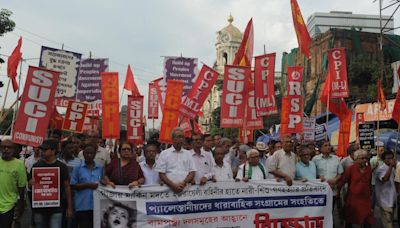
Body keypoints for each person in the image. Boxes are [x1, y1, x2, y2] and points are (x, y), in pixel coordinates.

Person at [29, 139, 73, 228]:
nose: (42, 151)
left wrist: (69, 207)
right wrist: (30, 184)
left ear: (53, 151)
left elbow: (67, 187)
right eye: (41, 149)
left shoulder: (62, 167)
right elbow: (30, 187)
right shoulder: (36, 166)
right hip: (39, 208)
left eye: (45, 150)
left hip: (56, 209)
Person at [337, 149, 374, 227]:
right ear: (356, 159)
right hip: (352, 199)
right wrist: (338, 192)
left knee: (367, 221)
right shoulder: (351, 169)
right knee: (350, 219)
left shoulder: (368, 169)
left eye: (366, 158)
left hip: (365, 199)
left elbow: (369, 183)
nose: (365, 160)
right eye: (362, 158)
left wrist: (370, 195)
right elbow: (343, 181)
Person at [70, 144, 103, 228]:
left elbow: (104, 183)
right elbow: (72, 186)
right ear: (83, 154)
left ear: (95, 154)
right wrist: (87, 185)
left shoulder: (100, 168)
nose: (89, 155)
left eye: (91, 153)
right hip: (82, 205)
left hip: (97, 206)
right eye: (87, 153)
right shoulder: (77, 168)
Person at [155, 127, 196, 193]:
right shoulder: (164, 153)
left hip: (185, 190)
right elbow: (161, 173)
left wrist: (184, 183)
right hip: (169, 190)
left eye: (183, 137)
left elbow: (192, 171)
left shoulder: (188, 153)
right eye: (179, 137)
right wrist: (173, 186)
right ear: (173, 139)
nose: (182, 139)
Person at [0, 139, 27, 228]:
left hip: (8, 206)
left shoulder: (19, 164)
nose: (6, 149)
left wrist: (21, 205)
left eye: (9, 147)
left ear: (14, 149)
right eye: (4, 147)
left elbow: (21, 187)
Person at [312, 141, 343, 210]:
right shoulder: (315, 159)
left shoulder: (336, 158)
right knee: (320, 211)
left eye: (329, 145)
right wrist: (319, 177)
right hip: (320, 190)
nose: (328, 147)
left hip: (332, 190)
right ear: (320, 148)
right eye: (325, 146)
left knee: (331, 210)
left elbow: (340, 173)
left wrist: (335, 180)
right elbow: (312, 173)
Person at [375, 151, 397, 228]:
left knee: (390, 221)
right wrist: (391, 166)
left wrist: (394, 167)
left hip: (393, 199)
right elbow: (385, 179)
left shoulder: (394, 168)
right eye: (388, 158)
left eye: (392, 158)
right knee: (388, 223)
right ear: (384, 160)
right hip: (385, 200)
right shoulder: (380, 169)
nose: (390, 160)